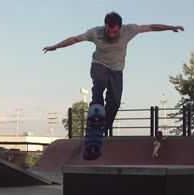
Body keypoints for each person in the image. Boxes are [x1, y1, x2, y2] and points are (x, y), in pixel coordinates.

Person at [43, 11, 184, 135]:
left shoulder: (129, 30)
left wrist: (171, 27)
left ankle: (102, 129)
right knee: (100, 81)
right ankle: (96, 106)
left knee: (115, 102)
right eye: (108, 31)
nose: (111, 34)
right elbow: (74, 39)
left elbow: (151, 27)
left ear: (120, 28)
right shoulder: (95, 32)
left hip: (117, 71)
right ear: (105, 25)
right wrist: (56, 46)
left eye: (114, 32)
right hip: (99, 65)